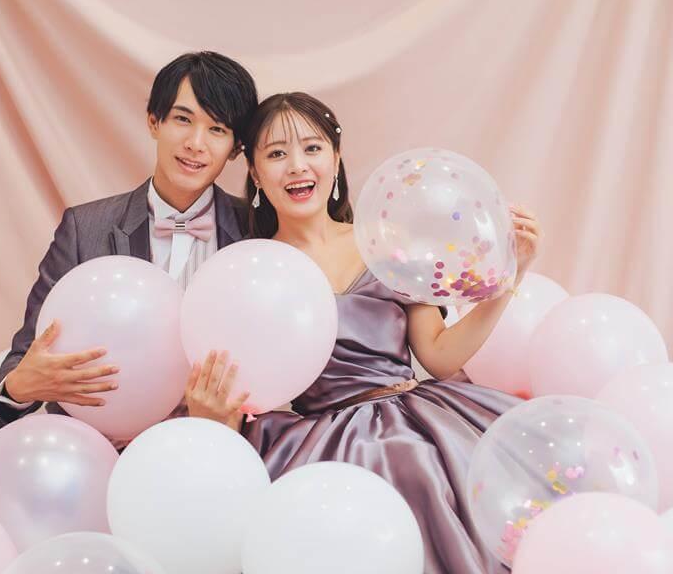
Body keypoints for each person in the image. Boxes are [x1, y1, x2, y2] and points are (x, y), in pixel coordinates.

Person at [184, 92, 541, 574]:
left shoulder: (384, 244)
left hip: (413, 417)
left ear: (335, 160)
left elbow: (439, 356)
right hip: (318, 435)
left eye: (312, 148)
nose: (297, 166)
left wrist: (510, 278)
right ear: (255, 174)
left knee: (420, 463)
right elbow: (239, 384)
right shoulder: (251, 270)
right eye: (277, 153)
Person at [0, 51, 258, 468]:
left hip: (202, 446)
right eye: (183, 119)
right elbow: (23, 359)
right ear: (154, 122)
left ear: (235, 148)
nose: (195, 143)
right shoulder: (86, 227)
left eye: (216, 129)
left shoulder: (255, 233)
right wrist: (21, 386)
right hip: (91, 446)